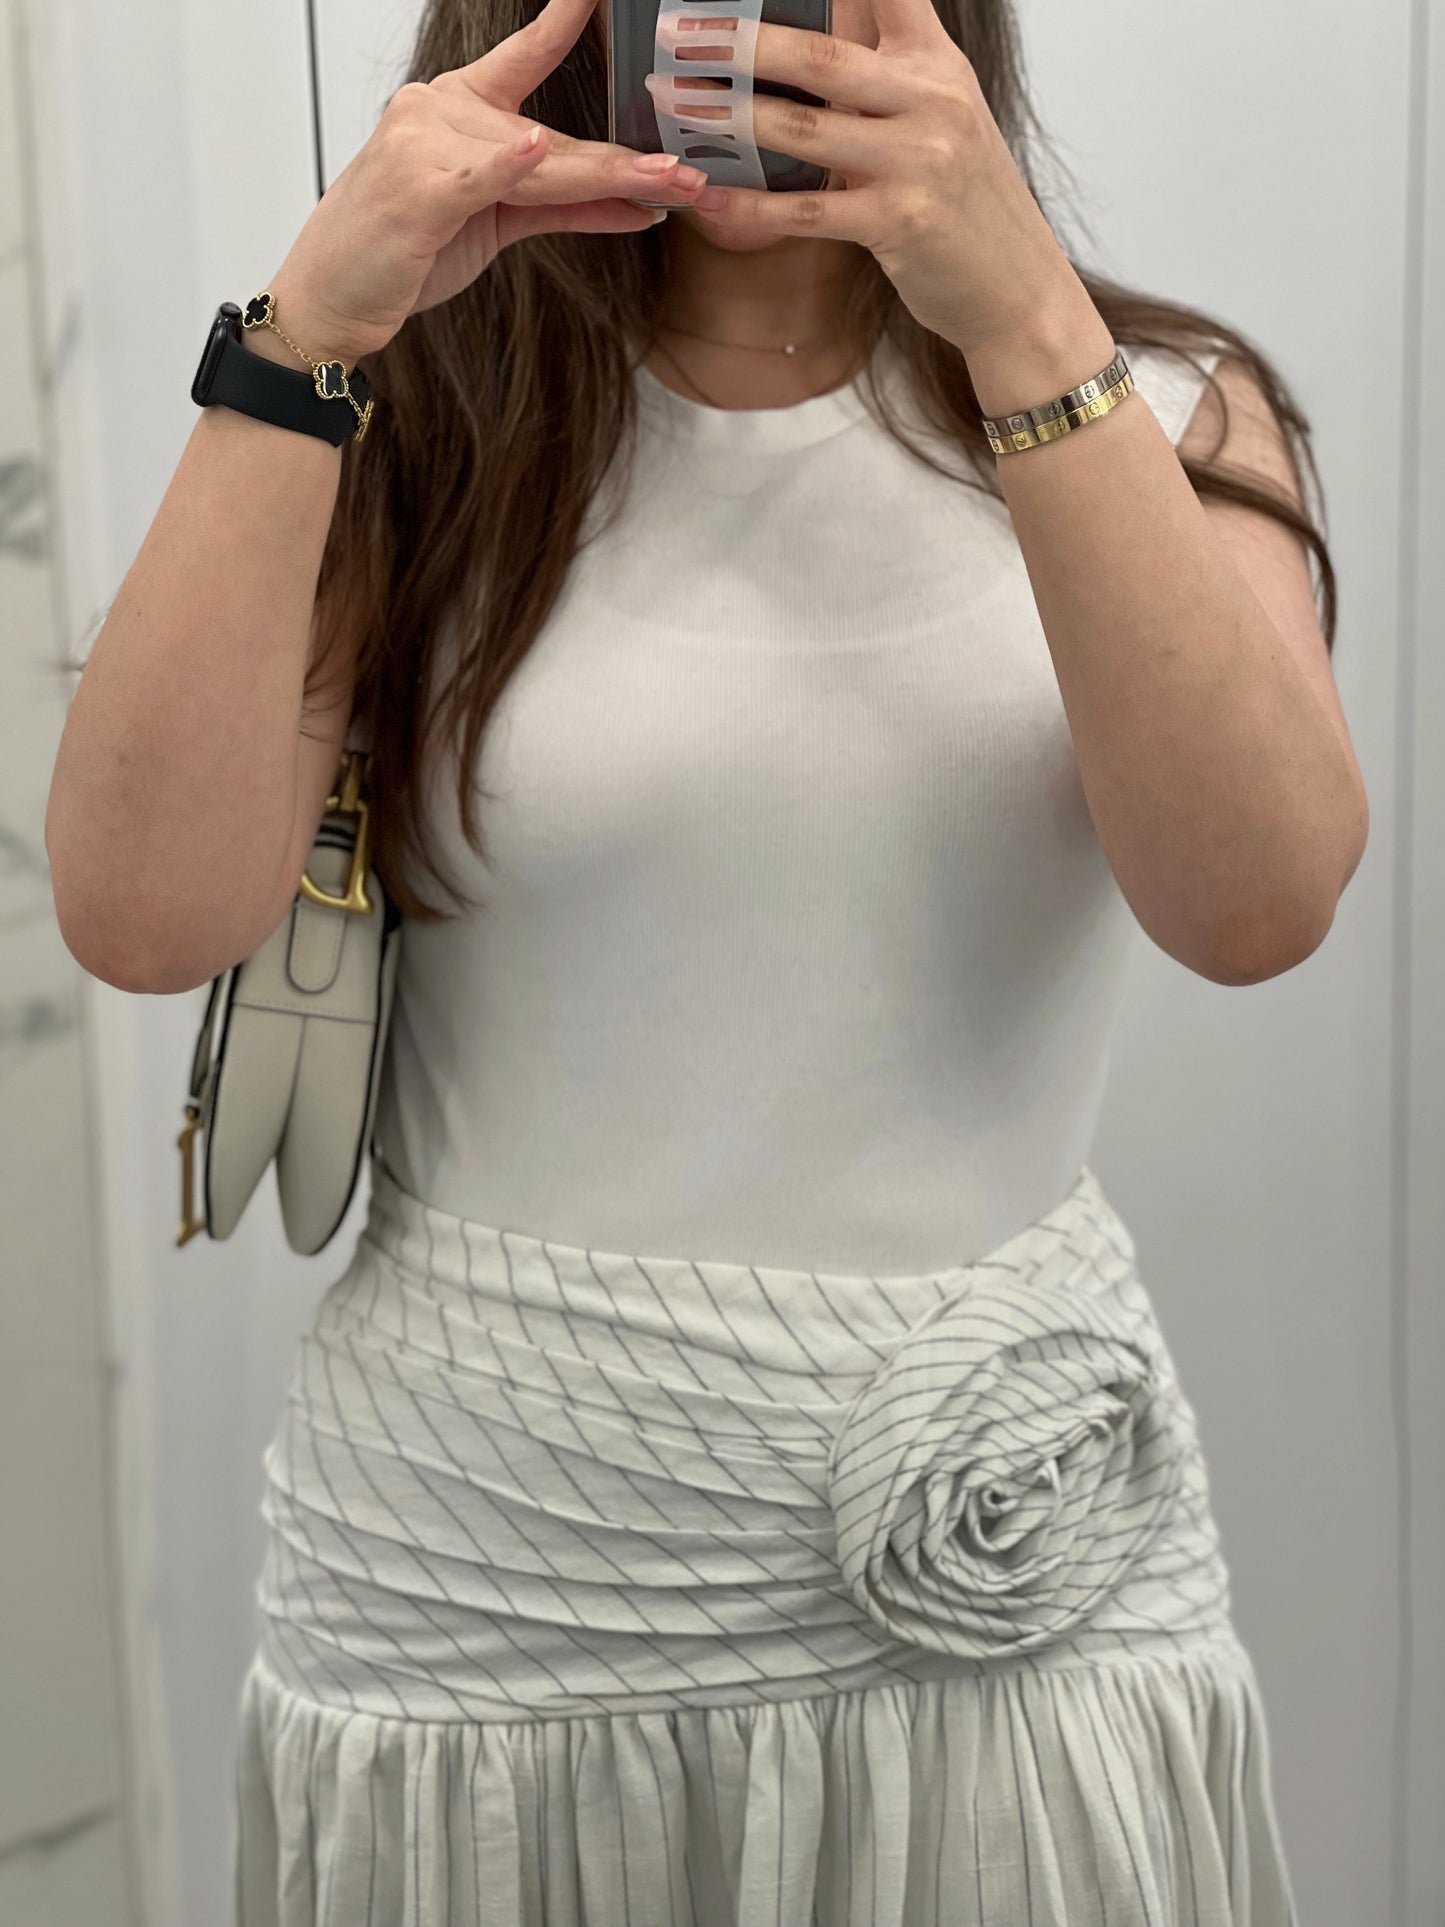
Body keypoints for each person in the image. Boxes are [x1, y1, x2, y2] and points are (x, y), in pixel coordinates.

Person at [46, 0, 1367, 1916]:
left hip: (999, 1582)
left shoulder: (1153, 402)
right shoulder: (395, 419)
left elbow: (1255, 907)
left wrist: (1019, 319)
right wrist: (306, 336)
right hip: (489, 1602)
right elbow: (143, 916)